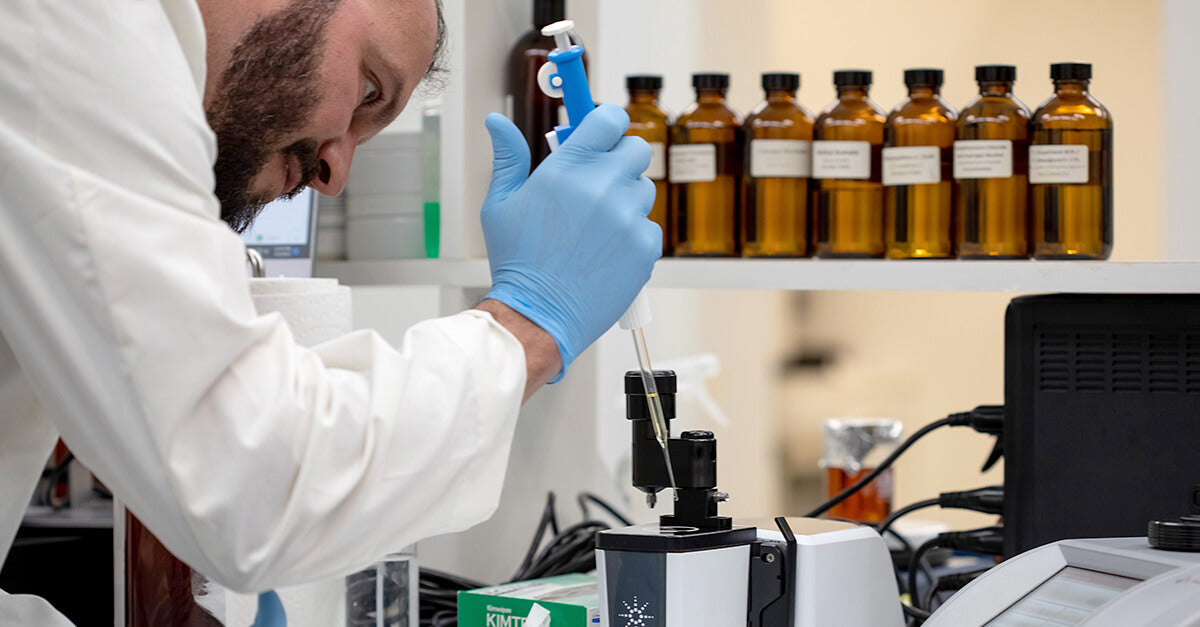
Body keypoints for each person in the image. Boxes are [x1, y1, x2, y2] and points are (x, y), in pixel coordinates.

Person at [0, 0, 659, 622]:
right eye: (370, 88)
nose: (335, 175)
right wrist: (528, 324)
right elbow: (252, 480)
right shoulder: (80, 24)